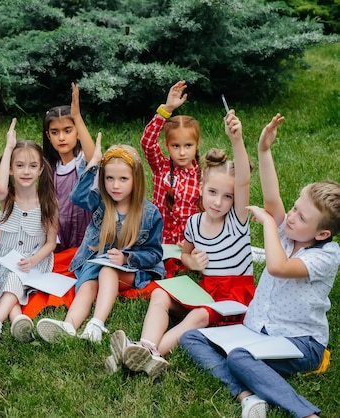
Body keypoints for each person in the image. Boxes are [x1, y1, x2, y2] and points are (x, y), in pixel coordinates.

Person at [180, 114, 340, 418]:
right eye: (294, 209)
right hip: (257, 332)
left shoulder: (326, 256)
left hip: (301, 345)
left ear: (321, 234)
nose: (290, 217)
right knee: (191, 337)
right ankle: (246, 394)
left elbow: (279, 266)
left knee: (239, 357)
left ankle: (306, 413)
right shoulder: (289, 231)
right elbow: (271, 196)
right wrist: (263, 150)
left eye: (301, 217)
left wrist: (268, 221)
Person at [107, 110, 253, 379]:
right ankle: (146, 345)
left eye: (228, 197)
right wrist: (190, 262)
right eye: (212, 192)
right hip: (206, 290)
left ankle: (149, 354)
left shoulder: (236, 222)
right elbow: (185, 254)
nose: (218, 202)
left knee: (197, 316)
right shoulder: (195, 222)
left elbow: (243, 179)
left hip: (232, 298)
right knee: (160, 294)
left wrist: (237, 140)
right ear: (201, 188)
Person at [36, 134, 165, 344]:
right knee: (87, 285)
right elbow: (77, 196)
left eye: (123, 179)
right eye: (109, 178)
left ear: (136, 180)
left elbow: (154, 253)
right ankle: (68, 325)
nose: (115, 185)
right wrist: (94, 163)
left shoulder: (150, 214)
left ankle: (96, 324)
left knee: (108, 271)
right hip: (98, 264)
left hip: (133, 271)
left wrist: (126, 258)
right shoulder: (102, 203)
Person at [0, 118, 58, 343]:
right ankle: (18, 319)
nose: (26, 171)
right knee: (11, 276)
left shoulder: (48, 203)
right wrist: (9, 147)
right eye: (19, 165)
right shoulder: (8, 199)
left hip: (34, 261)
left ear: (41, 169)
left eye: (32, 166)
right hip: (6, 258)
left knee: (17, 275)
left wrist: (33, 260)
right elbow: (0, 187)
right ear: (10, 168)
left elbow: (50, 243)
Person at [140, 80, 201, 246]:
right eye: (176, 146)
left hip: (188, 245)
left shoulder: (203, 177)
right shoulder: (161, 167)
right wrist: (166, 110)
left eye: (188, 145)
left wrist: (193, 242)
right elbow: (147, 142)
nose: (182, 152)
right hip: (158, 243)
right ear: (167, 145)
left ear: (197, 145)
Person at [42, 83, 95, 251]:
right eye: (55, 132)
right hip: (59, 232)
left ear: (77, 132)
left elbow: (94, 158)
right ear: (48, 136)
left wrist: (77, 117)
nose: (61, 137)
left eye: (67, 130)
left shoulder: (81, 161)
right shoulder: (50, 166)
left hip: (84, 232)